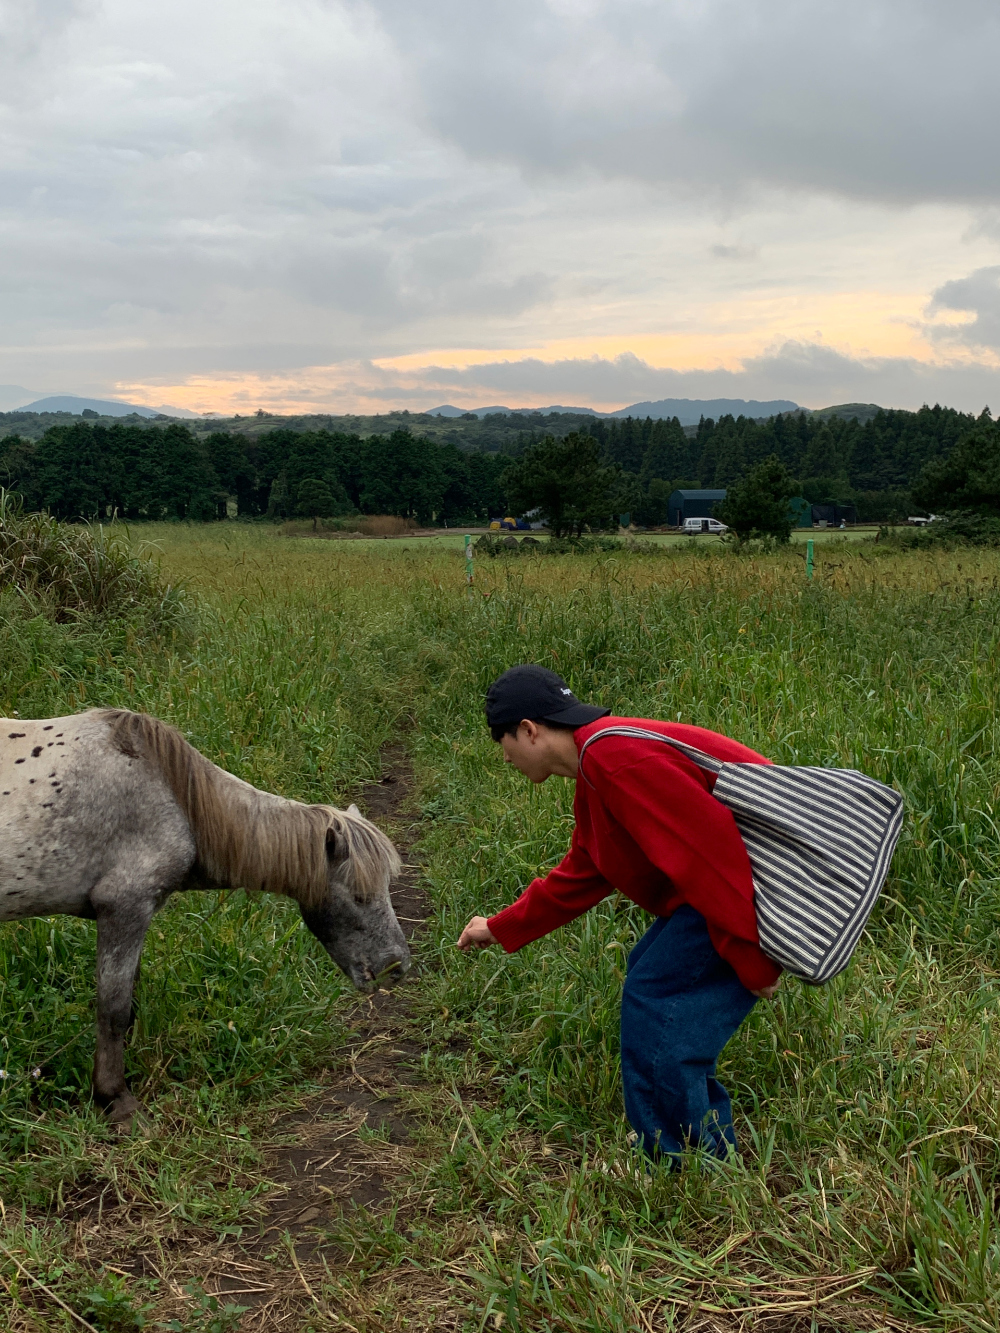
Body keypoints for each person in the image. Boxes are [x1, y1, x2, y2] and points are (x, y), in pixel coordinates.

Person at [457, 664, 781, 1165]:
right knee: (650, 973)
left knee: (656, 996)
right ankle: (688, 1141)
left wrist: (752, 955)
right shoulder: (596, 764)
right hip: (734, 891)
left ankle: (684, 1161)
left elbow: (708, 855)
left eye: (501, 740)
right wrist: (499, 928)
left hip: (747, 889)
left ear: (528, 730)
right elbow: (586, 870)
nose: (504, 756)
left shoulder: (613, 758)